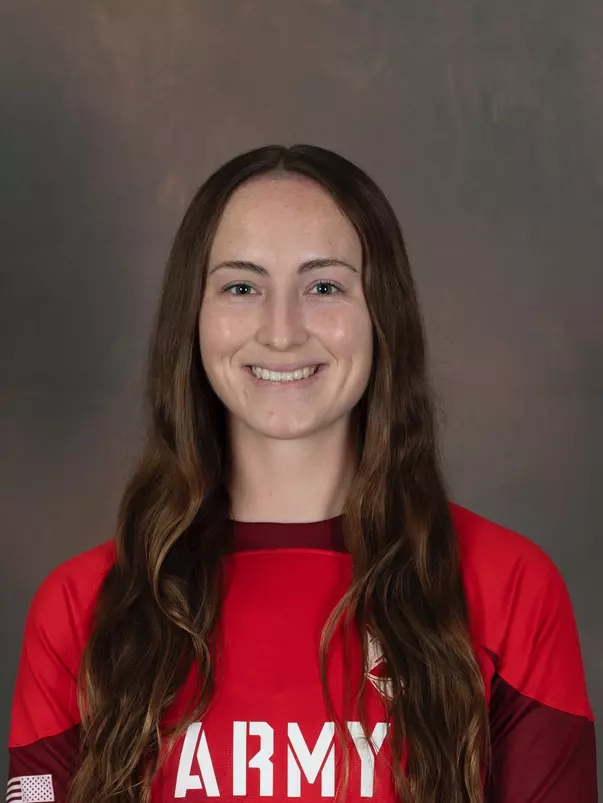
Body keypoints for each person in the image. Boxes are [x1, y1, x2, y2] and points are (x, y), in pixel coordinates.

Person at [6, 144, 597, 803]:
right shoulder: (81, 608)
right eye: (241, 286)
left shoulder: (510, 588)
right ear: (192, 318)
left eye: (323, 286)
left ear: (381, 314)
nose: (281, 331)